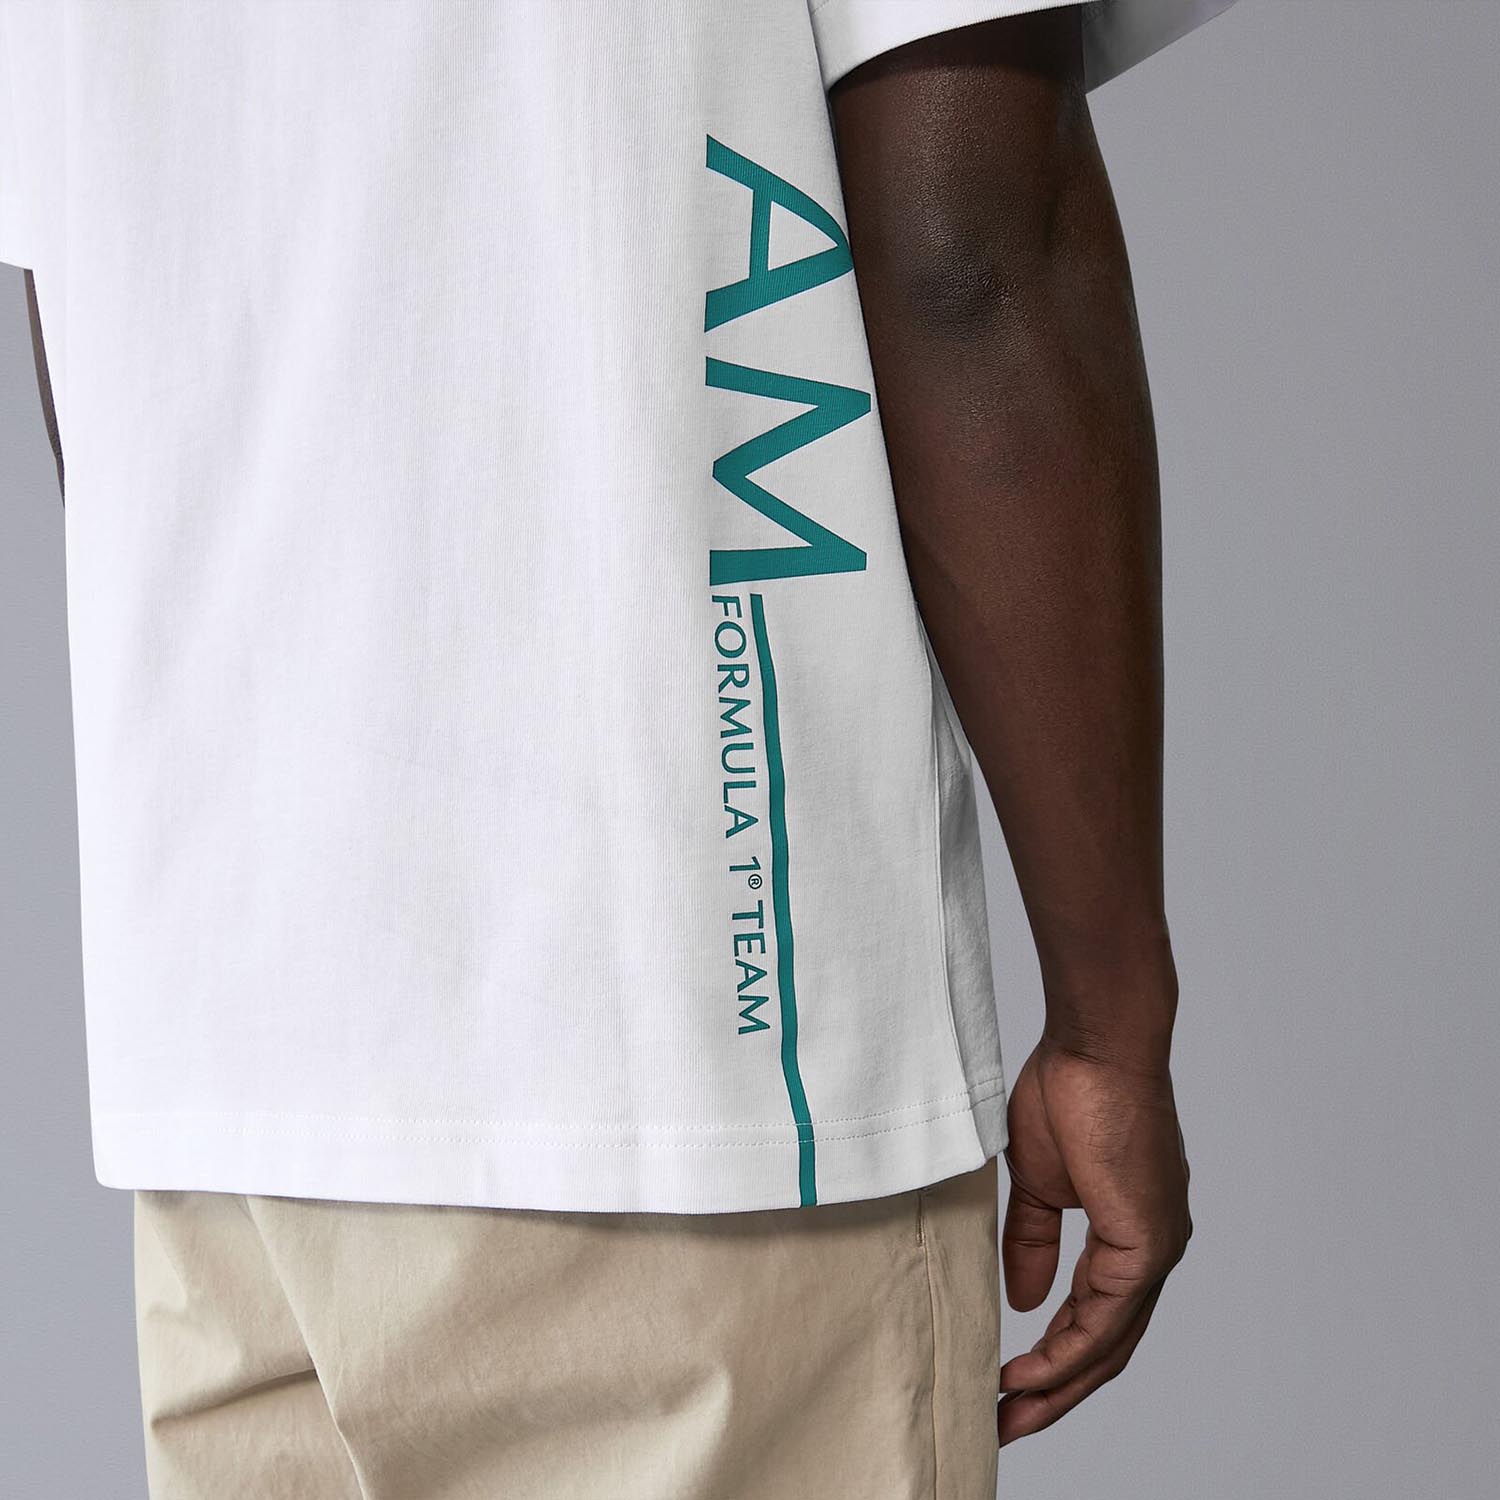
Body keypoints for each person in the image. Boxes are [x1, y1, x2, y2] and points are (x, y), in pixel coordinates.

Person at [0, 2, 1236, 1495]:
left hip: (238, 1084)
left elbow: (83, 294)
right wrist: (1111, 1017)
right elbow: (970, 252)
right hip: (682, 1056)